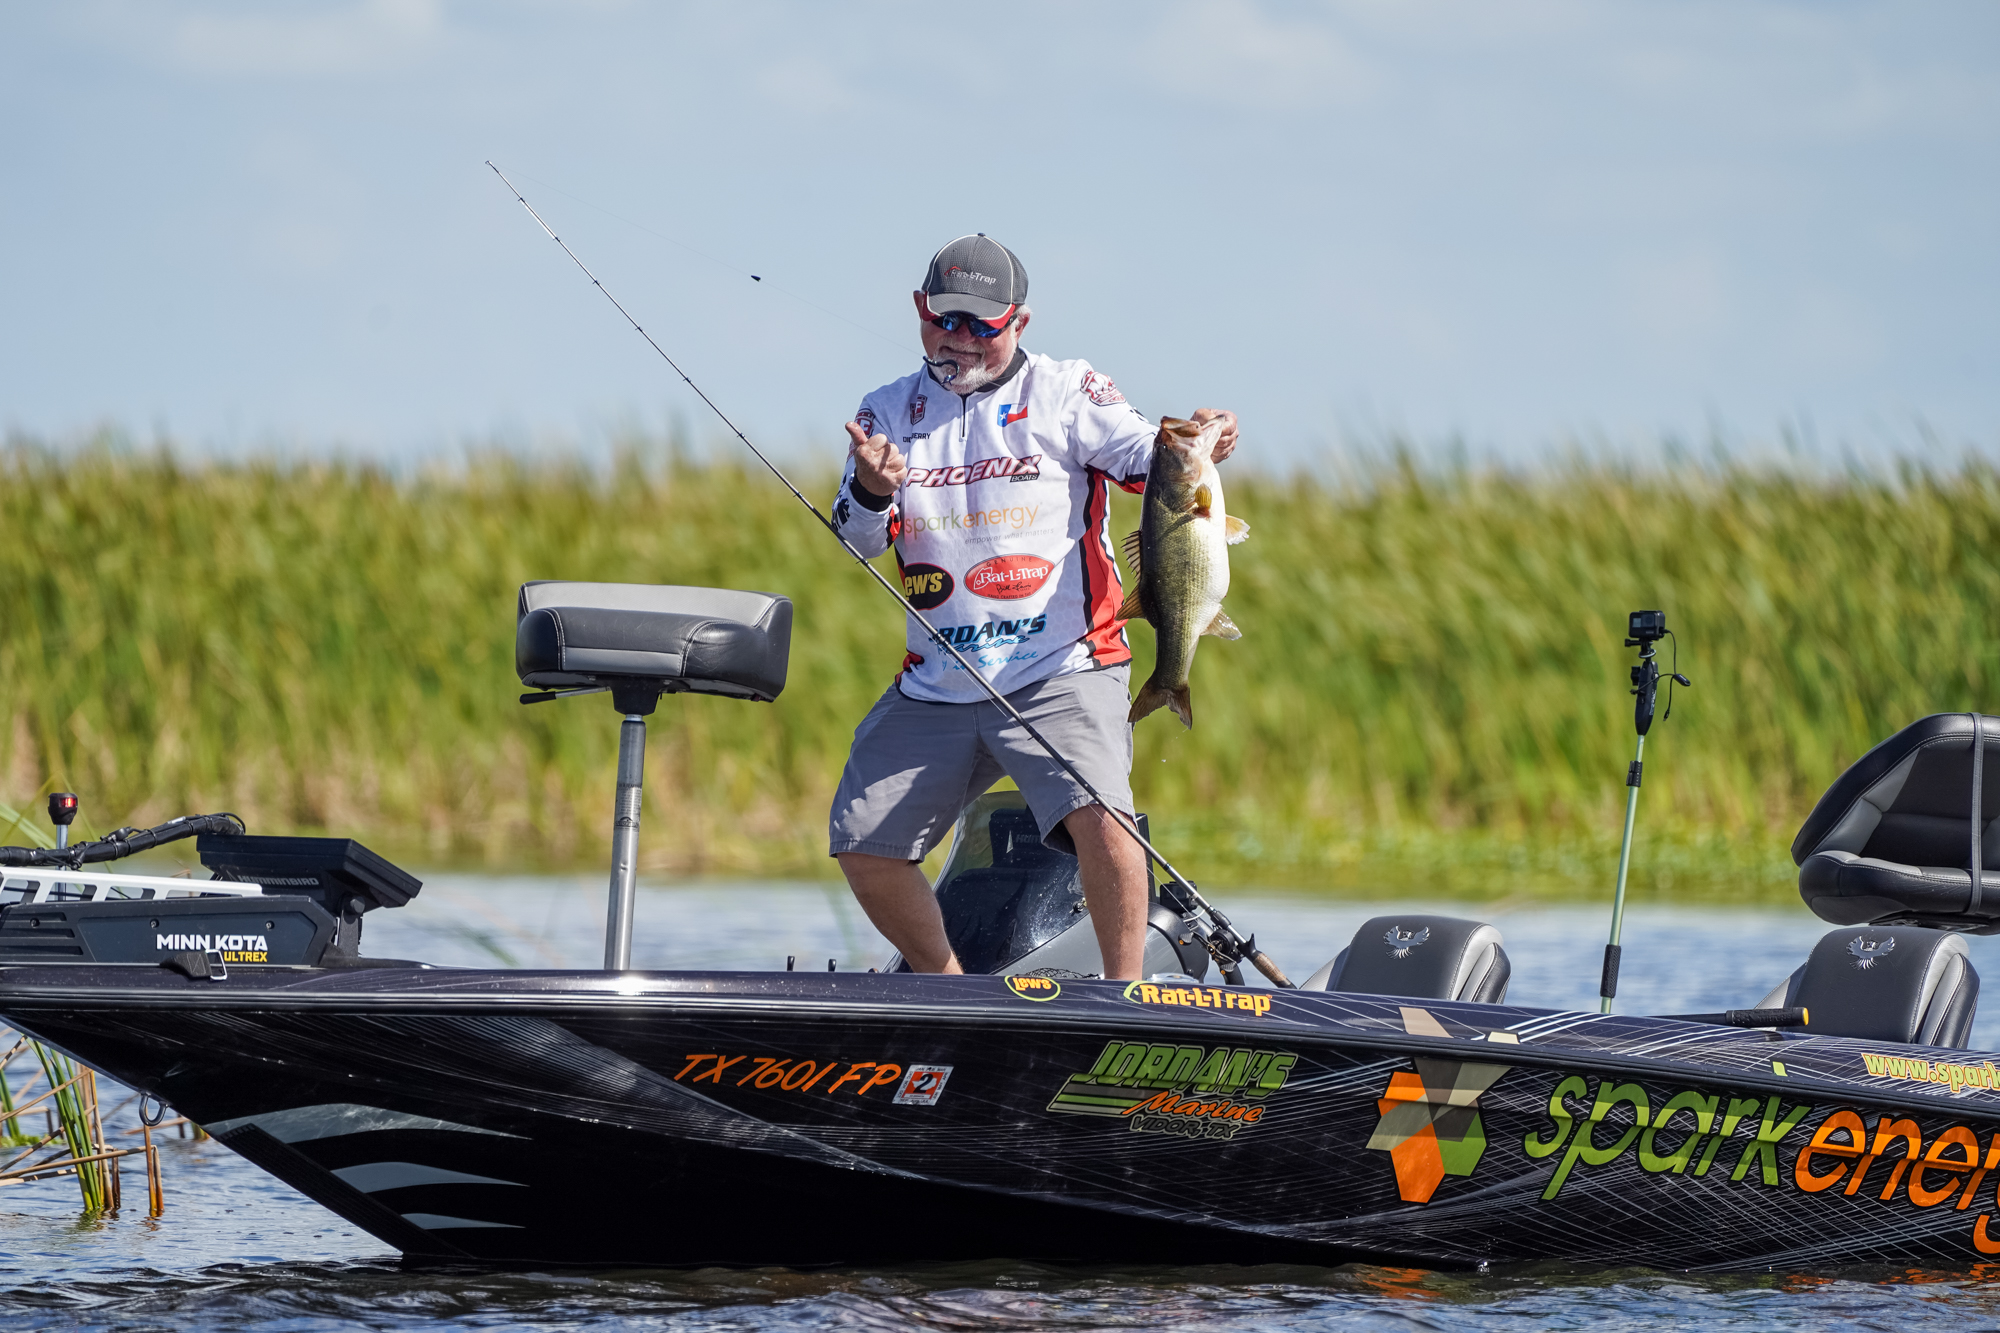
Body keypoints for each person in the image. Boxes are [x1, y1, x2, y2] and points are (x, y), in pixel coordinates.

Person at [828, 234, 1238, 980]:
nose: (959, 337)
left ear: (1018, 321)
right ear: (920, 311)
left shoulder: (1070, 390)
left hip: (1063, 665)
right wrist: (871, 489)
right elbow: (855, 538)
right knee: (862, 839)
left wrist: (1204, 442)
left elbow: (1153, 463)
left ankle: (1122, 1000)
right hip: (937, 680)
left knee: (1104, 822)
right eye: (943, 319)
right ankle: (949, 990)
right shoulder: (885, 410)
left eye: (981, 324)